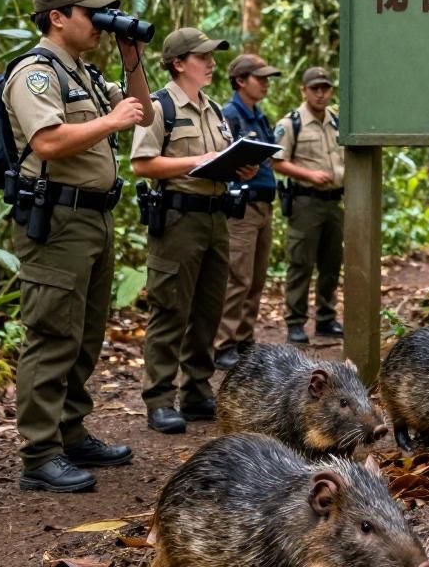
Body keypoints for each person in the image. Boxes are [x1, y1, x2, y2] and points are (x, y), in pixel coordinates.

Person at [4, 0, 153, 492]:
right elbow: (47, 142)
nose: (98, 23)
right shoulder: (36, 74)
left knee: (86, 333)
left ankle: (70, 431)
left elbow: (144, 114)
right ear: (58, 17)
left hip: (95, 216)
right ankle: (40, 455)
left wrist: (132, 57)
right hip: (59, 219)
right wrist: (111, 121)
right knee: (52, 334)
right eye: (90, 13)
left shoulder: (85, 74)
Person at [130, 28, 258, 434]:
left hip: (216, 217)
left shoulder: (214, 109)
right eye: (203, 56)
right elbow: (142, 163)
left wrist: (242, 166)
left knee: (208, 309)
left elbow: (219, 157)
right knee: (170, 310)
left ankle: (197, 390)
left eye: (212, 56)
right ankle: (160, 399)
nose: (211, 62)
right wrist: (196, 161)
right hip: (177, 218)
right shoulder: (159, 106)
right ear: (179, 62)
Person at [213, 54, 282, 371]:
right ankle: (224, 343)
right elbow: (221, 161)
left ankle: (244, 339)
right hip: (242, 206)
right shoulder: (230, 115)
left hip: (264, 204)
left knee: (255, 278)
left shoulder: (259, 116)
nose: (266, 83)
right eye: (260, 78)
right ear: (241, 81)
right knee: (237, 277)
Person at [272, 66, 344, 345]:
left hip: (334, 202)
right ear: (304, 90)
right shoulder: (291, 124)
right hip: (305, 202)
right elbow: (277, 161)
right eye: (315, 88)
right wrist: (309, 174)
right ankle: (295, 322)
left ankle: (326, 318)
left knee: (331, 263)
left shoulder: (337, 121)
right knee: (301, 263)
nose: (321, 94)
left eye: (325, 88)